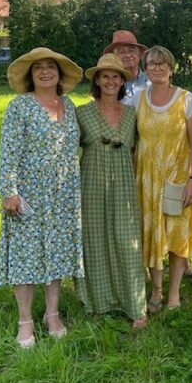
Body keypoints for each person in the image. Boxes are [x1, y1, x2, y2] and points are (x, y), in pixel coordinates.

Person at [0, 47, 84, 348]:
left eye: (51, 67)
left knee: (57, 253)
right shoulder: (19, 106)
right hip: (28, 194)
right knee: (26, 255)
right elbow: (8, 151)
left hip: (63, 195)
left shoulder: (68, 105)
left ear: (59, 74)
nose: (45, 72)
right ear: (30, 75)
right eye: (38, 68)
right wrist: (9, 191)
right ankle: (25, 321)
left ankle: (52, 314)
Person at [75, 53, 147, 329]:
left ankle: (135, 305)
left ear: (122, 82)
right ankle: (98, 302)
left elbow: (141, 149)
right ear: (97, 80)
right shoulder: (81, 112)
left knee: (127, 240)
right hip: (91, 182)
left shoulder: (131, 114)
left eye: (115, 76)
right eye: (105, 76)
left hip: (123, 184)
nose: (110, 80)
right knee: (94, 239)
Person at [132, 46, 192, 311]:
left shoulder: (186, 100)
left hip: (177, 178)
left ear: (171, 68)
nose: (157, 68)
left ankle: (174, 293)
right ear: (145, 68)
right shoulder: (138, 98)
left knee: (175, 235)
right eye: (152, 64)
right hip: (146, 180)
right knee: (150, 234)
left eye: (163, 64)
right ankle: (157, 290)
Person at [103, 30, 148, 105]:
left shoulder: (151, 80)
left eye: (132, 50)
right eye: (121, 52)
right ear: (114, 57)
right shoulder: (110, 84)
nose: (127, 55)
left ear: (139, 55)